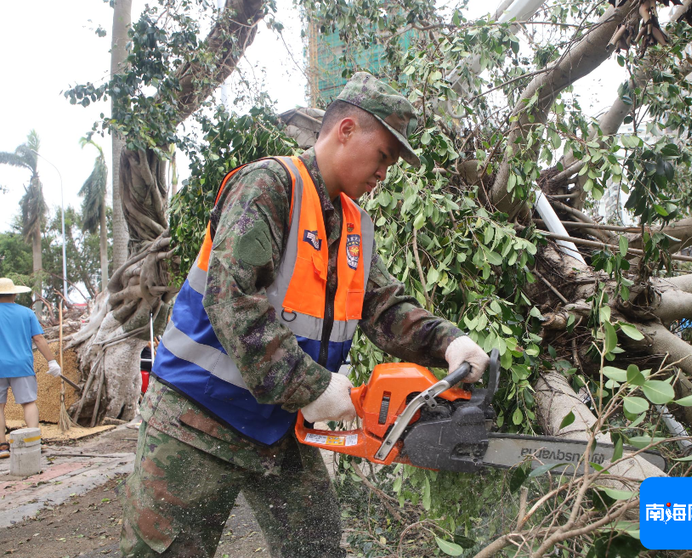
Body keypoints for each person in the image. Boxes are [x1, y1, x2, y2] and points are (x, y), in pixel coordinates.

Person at [120, 72, 490, 557]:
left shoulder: (355, 224)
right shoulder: (270, 187)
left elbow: (381, 307)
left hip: (281, 424)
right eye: (383, 155)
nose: (385, 173)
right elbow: (231, 298)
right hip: (198, 419)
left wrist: (447, 342)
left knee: (315, 547)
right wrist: (310, 385)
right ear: (346, 129)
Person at [0, 278, 61, 458]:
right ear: (15, 294)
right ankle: (33, 442)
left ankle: (2, 446)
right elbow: (39, 339)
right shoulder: (26, 313)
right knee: (28, 402)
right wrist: (52, 361)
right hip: (21, 365)